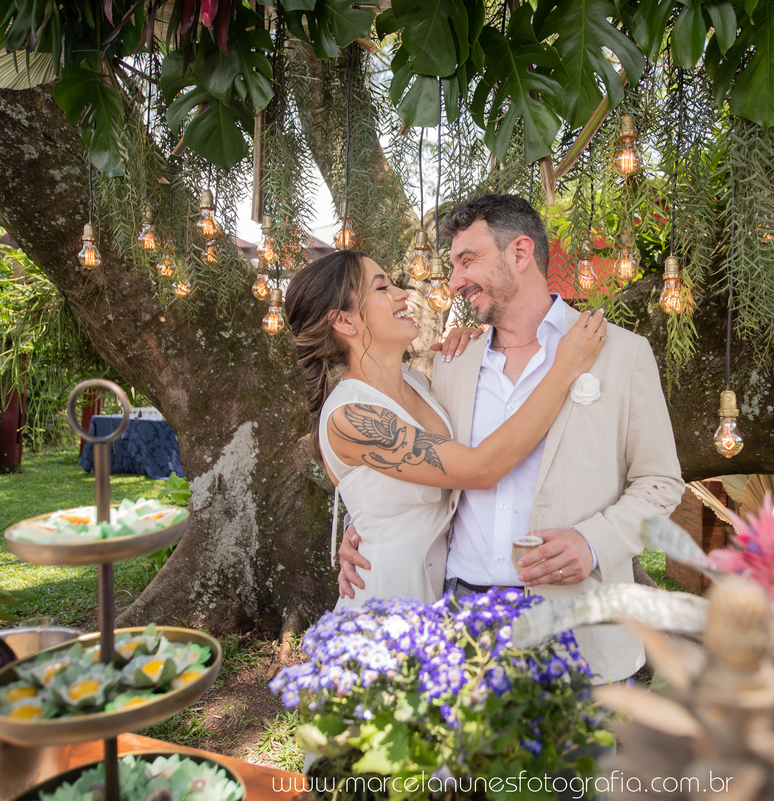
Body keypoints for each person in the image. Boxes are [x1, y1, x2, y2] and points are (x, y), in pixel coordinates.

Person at [340, 194, 685, 683]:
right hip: (463, 617)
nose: (455, 280)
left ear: (520, 254)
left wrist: (593, 542)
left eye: (467, 260)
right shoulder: (452, 361)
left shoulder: (621, 353)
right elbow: (430, 466)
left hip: (579, 618)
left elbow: (661, 481)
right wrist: (365, 528)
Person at [284, 249, 607, 609]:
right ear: (344, 322)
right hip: (387, 594)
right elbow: (478, 468)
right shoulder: (351, 416)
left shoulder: (418, 382)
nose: (401, 294)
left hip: (442, 591)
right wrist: (563, 370)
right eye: (381, 288)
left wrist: (474, 347)